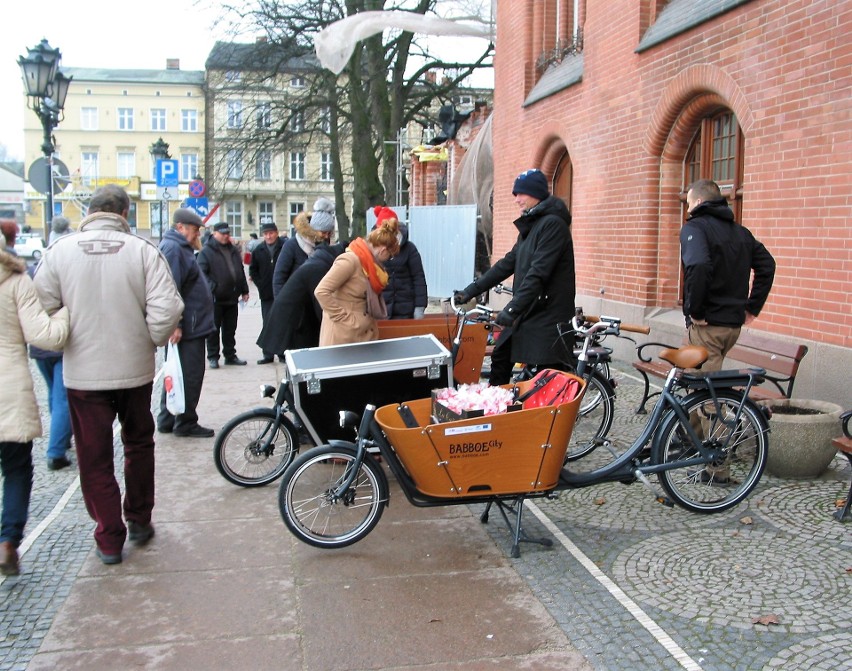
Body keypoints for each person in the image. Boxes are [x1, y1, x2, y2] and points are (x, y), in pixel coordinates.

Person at [34, 185, 183, 565]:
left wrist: (67, 326)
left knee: (93, 455)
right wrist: (147, 338)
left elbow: (40, 309)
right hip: (133, 370)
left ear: (90, 210)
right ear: (125, 212)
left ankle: (108, 535)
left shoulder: (59, 253)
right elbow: (168, 307)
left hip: (84, 374)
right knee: (138, 443)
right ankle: (138, 518)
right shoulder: (142, 251)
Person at [454, 169, 576, 386]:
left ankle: (540, 416)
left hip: (546, 314)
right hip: (529, 310)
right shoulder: (532, 225)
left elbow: (538, 274)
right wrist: (471, 291)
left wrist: (512, 309)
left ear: (536, 193)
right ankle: (499, 409)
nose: (517, 199)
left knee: (544, 376)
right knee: (500, 357)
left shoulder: (553, 225)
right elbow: (506, 264)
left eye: (521, 194)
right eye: (515, 194)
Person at [0, 245, 70, 576]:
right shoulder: (15, 280)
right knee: (15, 469)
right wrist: (66, 313)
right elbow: (44, 335)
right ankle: (8, 541)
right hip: (7, 389)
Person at [681, 178, 776, 372]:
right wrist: (752, 307)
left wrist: (696, 311)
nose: (688, 210)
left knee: (705, 392)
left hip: (708, 324)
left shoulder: (695, 228)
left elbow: (698, 265)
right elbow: (767, 265)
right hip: (732, 325)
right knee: (695, 381)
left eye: (689, 204)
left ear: (699, 202)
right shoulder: (742, 233)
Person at [156, 208, 216, 438]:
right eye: (193, 230)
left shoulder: (178, 248)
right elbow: (170, 288)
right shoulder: (173, 249)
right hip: (188, 326)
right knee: (189, 375)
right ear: (180, 227)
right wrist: (177, 324)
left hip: (190, 324)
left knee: (176, 373)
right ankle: (185, 422)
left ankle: (167, 419)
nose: (196, 235)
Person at [315, 220, 400, 346]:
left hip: (362, 334)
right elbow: (321, 291)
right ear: (383, 250)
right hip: (343, 337)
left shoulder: (371, 266)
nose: (389, 260)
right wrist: (346, 320)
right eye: (390, 255)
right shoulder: (350, 261)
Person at [257, 241, 349, 356]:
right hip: (293, 321)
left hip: (294, 317)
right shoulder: (319, 268)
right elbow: (320, 303)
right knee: (300, 362)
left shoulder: (318, 261)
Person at [197, 222, 250, 368]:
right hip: (215, 299)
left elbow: (239, 271)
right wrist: (214, 288)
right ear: (215, 234)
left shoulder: (232, 250)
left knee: (230, 330)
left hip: (232, 298)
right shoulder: (206, 252)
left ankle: (230, 355)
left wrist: (244, 290)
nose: (226, 236)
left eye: (228, 233)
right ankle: (213, 357)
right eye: (223, 233)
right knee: (213, 330)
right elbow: (201, 274)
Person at [372, 206, 427, 319]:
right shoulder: (374, 249)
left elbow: (418, 278)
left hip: (405, 309)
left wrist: (419, 307)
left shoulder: (409, 249)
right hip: (382, 309)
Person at [272, 199, 336, 297]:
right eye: (323, 232)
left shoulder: (326, 246)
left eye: (329, 233)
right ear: (314, 229)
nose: (327, 236)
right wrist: (281, 305)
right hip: (295, 300)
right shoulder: (292, 245)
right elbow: (279, 278)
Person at [249, 222, 286, 364]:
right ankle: (268, 354)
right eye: (265, 234)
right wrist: (261, 284)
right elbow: (253, 270)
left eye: (271, 233)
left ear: (276, 233)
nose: (268, 236)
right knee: (268, 323)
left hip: (282, 291)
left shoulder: (284, 247)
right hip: (266, 293)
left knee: (282, 322)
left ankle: (282, 352)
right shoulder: (259, 250)